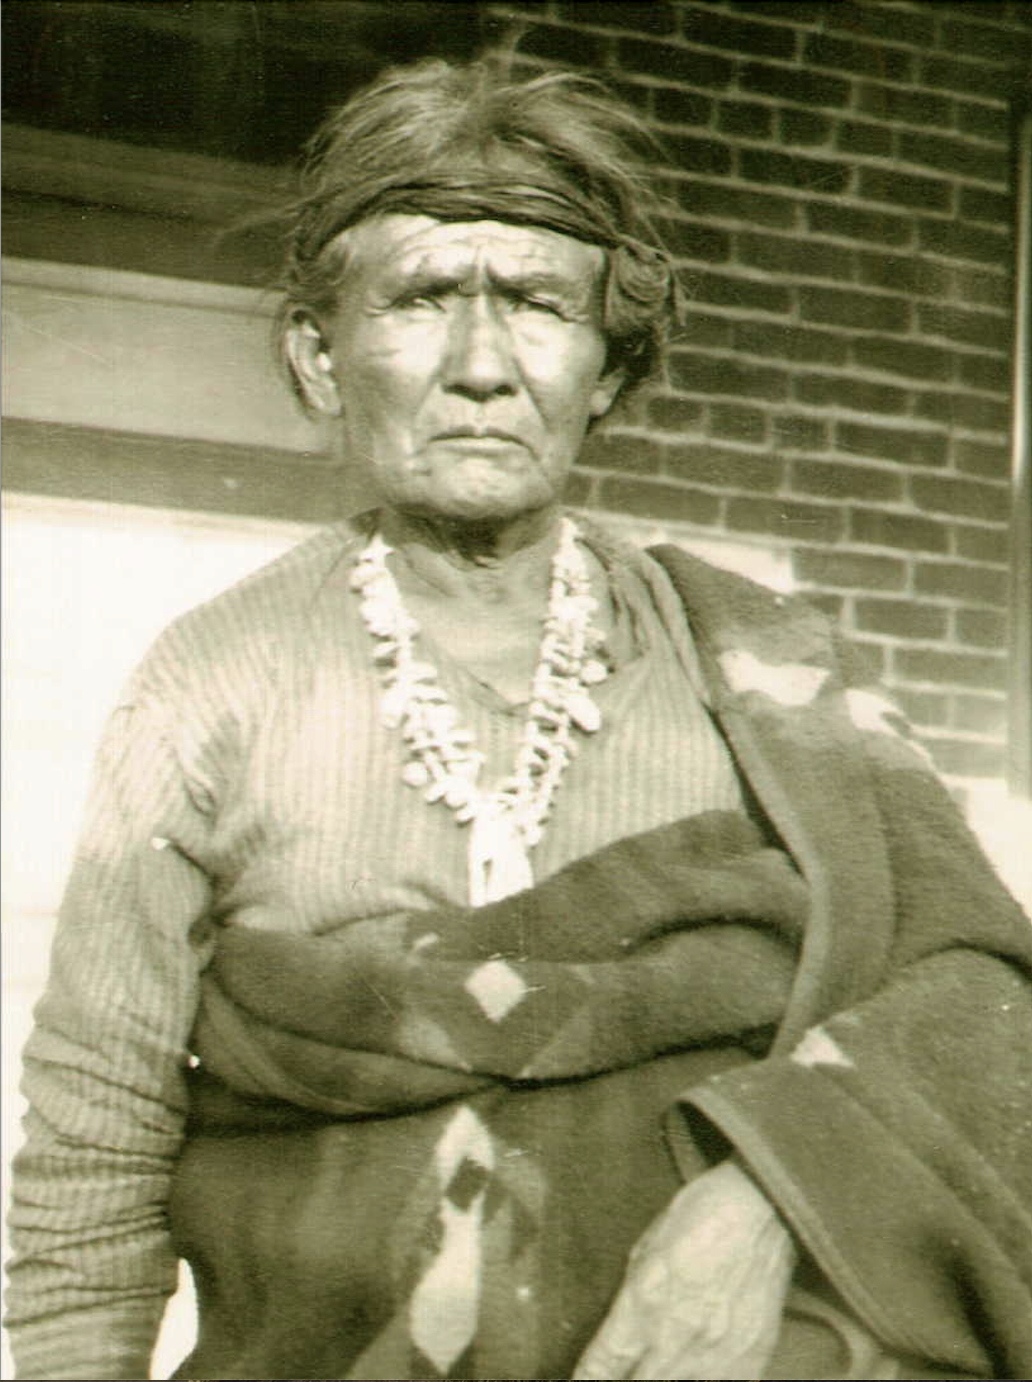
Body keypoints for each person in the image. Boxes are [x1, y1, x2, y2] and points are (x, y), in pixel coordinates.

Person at [6, 55, 1032, 1382]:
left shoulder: (768, 667)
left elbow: (982, 985)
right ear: (321, 358)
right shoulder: (211, 687)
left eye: (540, 302)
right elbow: (98, 1134)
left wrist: (772, 1196)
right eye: (424, 297)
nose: (485, 363)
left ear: (608, 365)